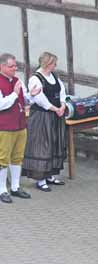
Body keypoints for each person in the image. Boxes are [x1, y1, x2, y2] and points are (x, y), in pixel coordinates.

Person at [22, 52, 67, 191]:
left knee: (54, 143)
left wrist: (63, 105)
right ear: (48, 64)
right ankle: (41, 180)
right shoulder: (35, 79)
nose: (56, 65)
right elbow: (40, 100)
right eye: (54, 63)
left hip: (56, 115)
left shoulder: (54, 76)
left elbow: (62, 92)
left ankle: (50, 175)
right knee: (42, 146)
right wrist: (55, 109)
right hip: (42, 117)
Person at [0, 53, 40, 204]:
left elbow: (24, 101)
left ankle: (15, 187)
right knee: (2, 159)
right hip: (4, 127)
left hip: (20, 124)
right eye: (11, 66)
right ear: (1, 66)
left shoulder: (17, 81)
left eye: (15, 66)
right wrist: (14, 94)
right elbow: (1, 104)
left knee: (17, 157)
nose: (15, 69)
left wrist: (32, 95)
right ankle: (2, 189)